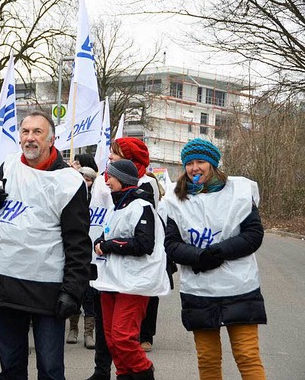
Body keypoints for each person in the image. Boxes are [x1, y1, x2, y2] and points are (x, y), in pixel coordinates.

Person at [0, 111, 91, 380]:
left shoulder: (69, 181)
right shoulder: (8, 165)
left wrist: (73, 291)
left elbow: (78, 242)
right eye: (25, 132)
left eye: (37, 132)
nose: (30, 138)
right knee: (12, 368)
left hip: (48, 288)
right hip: (6, 283)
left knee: (50, 370)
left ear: (51, 139)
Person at [162, 138, 266, 379]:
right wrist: (200, 256)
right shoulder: (175, 199)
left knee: (247, 356)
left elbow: (253, 235)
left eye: (201, 162)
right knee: (207, 360)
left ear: (213, 164)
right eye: (189, 163)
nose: (194, 168)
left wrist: (219, 252)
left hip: (239, 286)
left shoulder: (239, 192)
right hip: (200, 290)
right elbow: (171, 243)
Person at [92, 160, 170, 380]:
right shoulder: (116, 206)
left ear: (124, 179)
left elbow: (143, 244)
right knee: (111, 339)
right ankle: (124, 374)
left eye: (111, 177)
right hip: (111, 279)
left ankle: (145, 372)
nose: (107, 181)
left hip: (134, 283)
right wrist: (101, 241)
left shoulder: (142, 207)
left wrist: (108, 245)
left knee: (123, 337)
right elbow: (108, 234)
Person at [108, 138, 163, 352]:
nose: (111, 156)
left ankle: (145, 334)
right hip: (119, 246)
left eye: (116, 153)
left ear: (129, 159)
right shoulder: (112, 180)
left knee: (146, 291)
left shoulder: (146, 183)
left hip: (141, 243)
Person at [67, 154, 99, 349]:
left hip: (93, 255)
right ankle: (73, 329)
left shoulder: (98, 200)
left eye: (88, 180)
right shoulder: (73, 197)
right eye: (82, 179)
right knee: (74, 292)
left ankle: (89, 332)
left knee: (90, 295)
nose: (85, 183)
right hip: (75, 253)